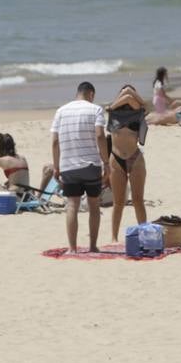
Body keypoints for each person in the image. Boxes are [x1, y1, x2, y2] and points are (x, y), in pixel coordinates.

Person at [51, 81, 109, 253]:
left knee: (72, 205)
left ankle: (72, 248)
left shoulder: (61, 111)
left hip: (68, 165)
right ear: (91, 94)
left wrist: (56, 166)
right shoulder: (96, 109)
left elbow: (54, 141)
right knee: (93, 205)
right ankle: (92, 246)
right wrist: (106, 163)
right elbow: (100, 136)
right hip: (91, 165)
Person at [105, 84, 149, 241]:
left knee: (138, 201)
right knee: (118, 203)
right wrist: (127, 92)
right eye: (123, 93)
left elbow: (139, 102)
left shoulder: (138, 113)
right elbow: (112, 105)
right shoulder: (113, 112)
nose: (128, 97)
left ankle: (144, 235)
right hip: (116, 160)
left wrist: (128, 91)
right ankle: (114, 238)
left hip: (135, 159)